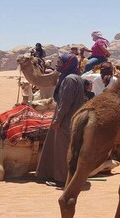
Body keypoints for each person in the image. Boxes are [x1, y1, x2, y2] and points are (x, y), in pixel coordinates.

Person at [36, 53, 84, 188]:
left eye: (60, 62)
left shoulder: (69, 79)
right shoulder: (76, 77)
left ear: (67, 64)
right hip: (72, 117)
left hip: (66, 118)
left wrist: (57, 120)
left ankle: (62, 180)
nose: (57, 65)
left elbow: (65, 103)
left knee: (62, 150)